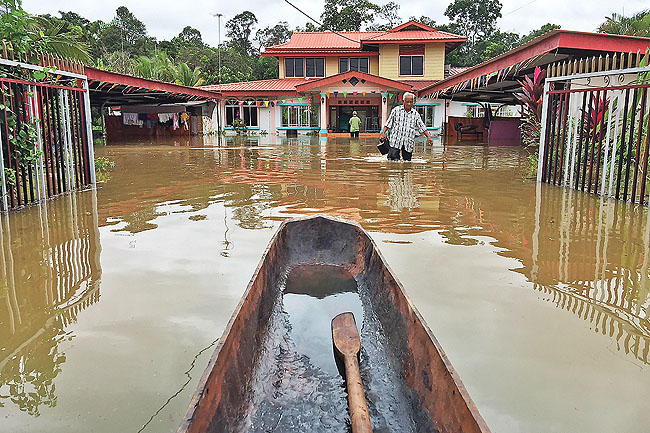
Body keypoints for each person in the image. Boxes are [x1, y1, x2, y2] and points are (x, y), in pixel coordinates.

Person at [380, 92, 433, 161]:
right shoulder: (396, 110)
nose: (409, 104)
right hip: (396, 141)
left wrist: (428, 137)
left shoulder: (415, 114)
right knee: (393, 161)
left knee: (407, 162)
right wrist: (383, 133)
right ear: (403, 101)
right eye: (407, 102)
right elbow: (388, 123)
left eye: (411, 102)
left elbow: (422, 126)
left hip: (408, 142)